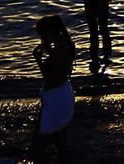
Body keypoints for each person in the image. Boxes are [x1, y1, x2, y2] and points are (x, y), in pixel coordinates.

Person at [31, 15, 75, 162]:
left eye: (42, 36)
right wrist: (48, 50)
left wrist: (38, 61)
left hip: (56, 98)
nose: (41, 40)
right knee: (59, 140)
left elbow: (50, 78)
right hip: (62, 94)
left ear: (49, 33)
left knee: (38, 145)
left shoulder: (60, 50)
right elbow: (59, 68)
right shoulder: (64, 45)